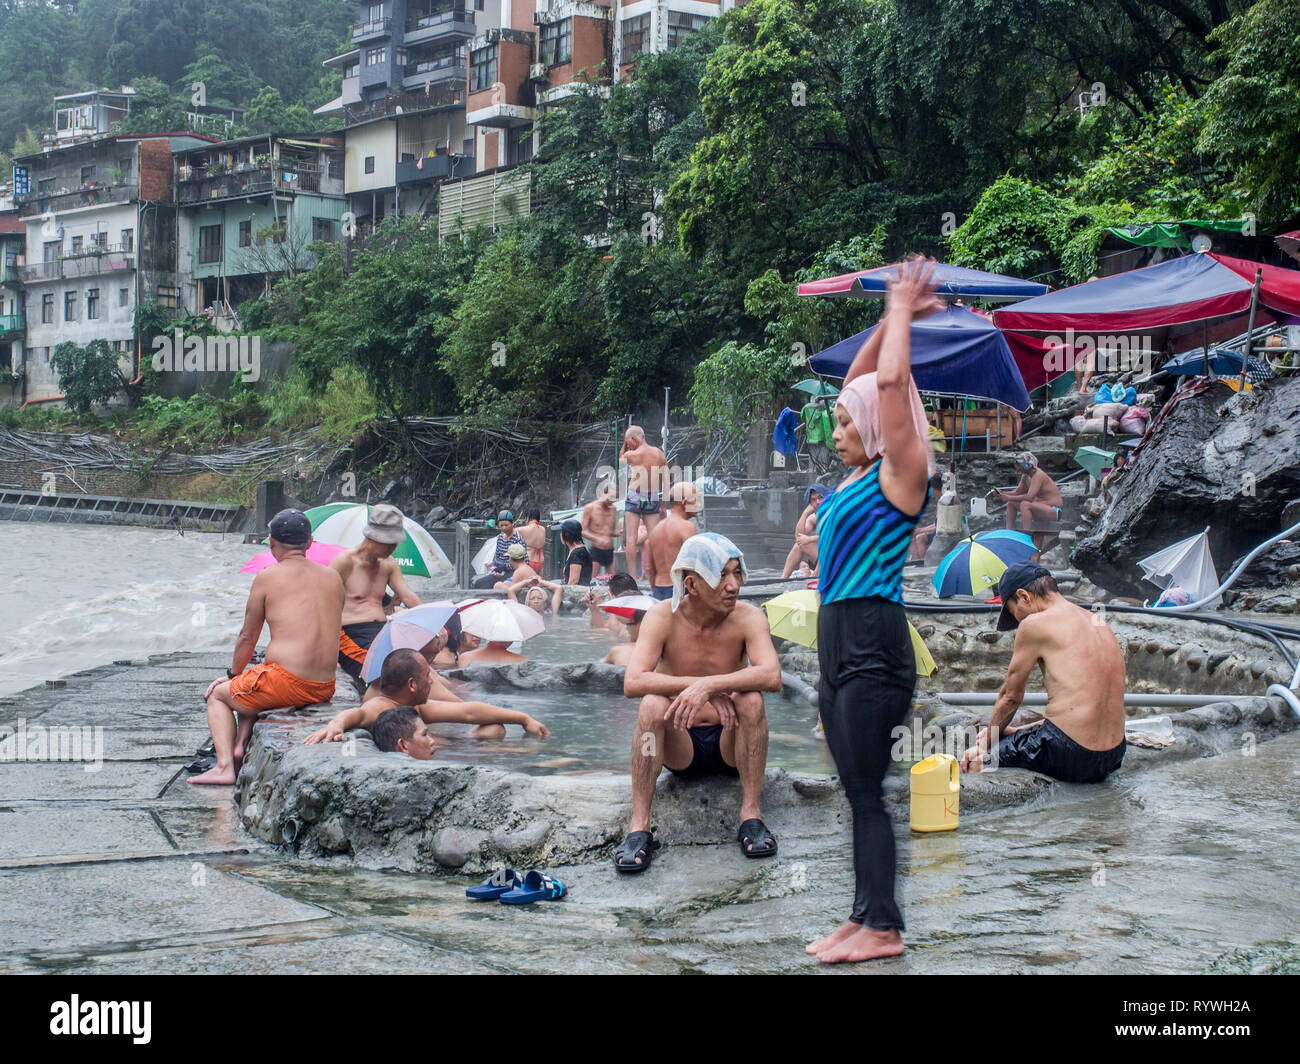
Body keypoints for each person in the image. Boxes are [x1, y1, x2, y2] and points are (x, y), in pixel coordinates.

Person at [805, 256, 939, 964]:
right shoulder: (858, 476)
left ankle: (884, 927)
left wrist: (899, 315)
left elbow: (884, 382)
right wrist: (892, 317)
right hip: (838, 644)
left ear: (870, 427)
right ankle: (862, 916)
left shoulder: (902, 471)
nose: (834, 425)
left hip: (872, 640)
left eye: (839, 421)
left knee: (867, 792)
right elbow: (862, 380)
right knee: (855, 789)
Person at [614, 533, 783, 874]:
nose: (734, 585)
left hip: (730, 743)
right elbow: (633, 682)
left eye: (737, 574)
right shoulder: (662, 617)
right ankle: (640, 827)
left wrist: (712, 685)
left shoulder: (748, 617)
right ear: (691, 583)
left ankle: (750, 816)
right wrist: (698, 687)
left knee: (751, 700)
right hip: (681, 746)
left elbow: (771, 676)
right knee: (650, 705)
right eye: (722, 576)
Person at [190, 509, 345, 785]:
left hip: (289, 683)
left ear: (271, 542)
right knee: (257, 681)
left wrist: (231, 674)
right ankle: (240, 745)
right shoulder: (333, 577)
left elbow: (247, 638)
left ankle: (225, 766)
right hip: (324, 685)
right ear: (310, 542)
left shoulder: (267, 577)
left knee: (218, 695)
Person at [959, 563, 1125, 782]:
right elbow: (1080, 711)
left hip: (1073, 755)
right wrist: (1010, 731)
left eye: (1012, 611)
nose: (1018, 621)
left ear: (1024, 596)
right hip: (1113, 754)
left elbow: (1010, 697)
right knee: (1011, 738)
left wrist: (984, 746)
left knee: (978, 764)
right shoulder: (1097, 621)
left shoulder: (1035, 624)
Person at [306, 648, 549, 747]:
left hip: (438, 748)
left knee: (494, 728)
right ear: (412, 684)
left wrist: (523, 718)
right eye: (427, 676)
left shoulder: (411, 705)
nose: (432, 681)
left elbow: (469, 712)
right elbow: (356, 714)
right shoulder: (381, 708)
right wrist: (335, 724)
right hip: (425, 756)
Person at [331, 503, 422, 695]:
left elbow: (408, 596)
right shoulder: (345, 561)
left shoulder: (389, 564)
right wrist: (329, 657)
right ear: (373, 537)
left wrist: (435, 623)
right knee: (388, 674)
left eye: (395, 542)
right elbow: (323, 605)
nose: (393, 547)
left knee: (416, 670)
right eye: (389, 542)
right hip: (350, 633)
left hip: (382, 631)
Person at [619, 426, 668, 580]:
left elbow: (621, 458)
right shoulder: (659, 454)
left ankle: (633, 578)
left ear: (633, 439)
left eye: (629, 443)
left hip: (634, 495)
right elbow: (666, 483)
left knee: (631, 538)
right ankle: (657, 575)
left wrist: (625, 445)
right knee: (654, 538)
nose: (629, 446)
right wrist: (664, 505)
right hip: (652, 496)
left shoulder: (632, 454)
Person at [645, 481, 700, 600]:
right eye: (696, 500)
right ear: (684, 502)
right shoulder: (687, 527)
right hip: (681, 589)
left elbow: (649, 568)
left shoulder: (655, 530)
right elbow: (695, 565)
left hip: (659, 590)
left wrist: (655, 591)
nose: (699, 504)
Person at [1000, 452, 1064, 549]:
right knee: (1011, 503)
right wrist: (1002, 493)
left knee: (1025, 504)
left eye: (1019, 465)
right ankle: (1010, 534)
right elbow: (1017, 492)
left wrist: (1008, 497)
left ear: (1027, 465)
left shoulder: (1038, 475)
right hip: (1040, 507)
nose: (1017, 468)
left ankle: (1027, 537)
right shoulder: (1026, 475)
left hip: (1054, 510)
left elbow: (1029, 497)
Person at [781, 483, 829, 579]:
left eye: (820, 498)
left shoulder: (832, 513)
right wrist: (805, 513)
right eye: (814, 500)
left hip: (837, 559)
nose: (818, 502)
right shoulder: (814, 517)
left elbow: (832, 539)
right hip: (823, 559)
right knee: (800, 543)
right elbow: (799, 536)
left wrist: (815, 573)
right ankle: (783, 578)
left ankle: (817, 573)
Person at [472, 511, 526, 589]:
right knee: (479, 583)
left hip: (512, 572)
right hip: (499, 571)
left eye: (506, 525)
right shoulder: (500, 537)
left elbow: (524, 562)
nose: (504, 528)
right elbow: (497, 555)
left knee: (484, 584)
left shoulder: (518, 539)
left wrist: (504, 567)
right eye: (501, 525)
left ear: (512, 523)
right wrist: (493, 566)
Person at [581, 485, 618, 577]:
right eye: (611, 497)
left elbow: (611, 531)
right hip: (596, 549)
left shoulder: (613, 509)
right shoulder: (590, 508)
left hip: (609, 549)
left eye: (614, 498)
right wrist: (597, 538)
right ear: (603, 494)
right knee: (593, 578)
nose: (612, 501)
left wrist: (620, 532)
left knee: (613, 579)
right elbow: (582, 531)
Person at [559, 519, 592, 585]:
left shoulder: (576, 554)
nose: (560, 534)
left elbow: (573, 582)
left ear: (566, 535)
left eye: (561, 532)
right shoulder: (578, 550)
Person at [519, 506, 546, 573]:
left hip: (529, 561)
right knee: (537, 582)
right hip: (540, 562)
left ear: (527, 517)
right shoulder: (543, 529)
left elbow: (508, 533)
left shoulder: (524, 529)